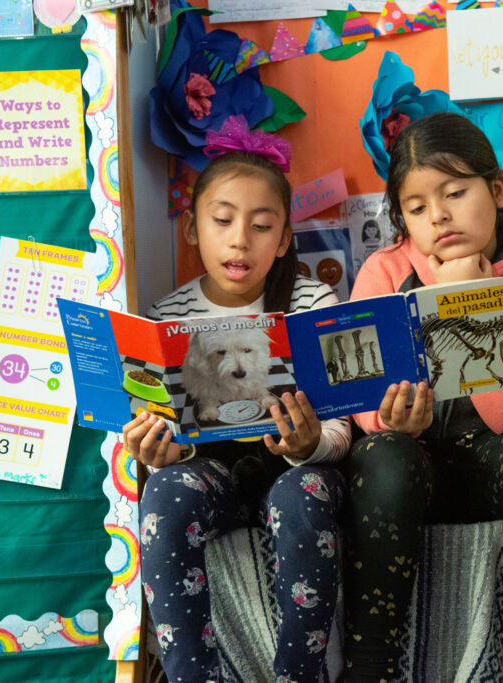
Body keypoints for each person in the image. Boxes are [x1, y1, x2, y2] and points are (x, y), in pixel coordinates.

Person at [342, 111, 503, 681]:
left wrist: (472, 299)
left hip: (492, 467)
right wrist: (387, 419)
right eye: (417, 208)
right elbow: (363, 408)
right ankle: (371, 668)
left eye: (455, 192)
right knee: (383, 455)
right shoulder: (384, 273)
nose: (438, 216)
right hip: (407, 472)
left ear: (497, 189)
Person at [123, 116, 350, 683]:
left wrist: (310, 443)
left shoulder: (313, 300)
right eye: (222, 220)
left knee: (306, 492)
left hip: (294, 468)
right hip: (209, 473)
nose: (240, 239)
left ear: (283, 240)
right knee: (167, 492)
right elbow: (147, 430)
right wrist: (153, 451)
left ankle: (299, 675)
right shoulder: (165, 317)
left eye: (261, 225)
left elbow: (345, 425)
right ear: (193, 230)